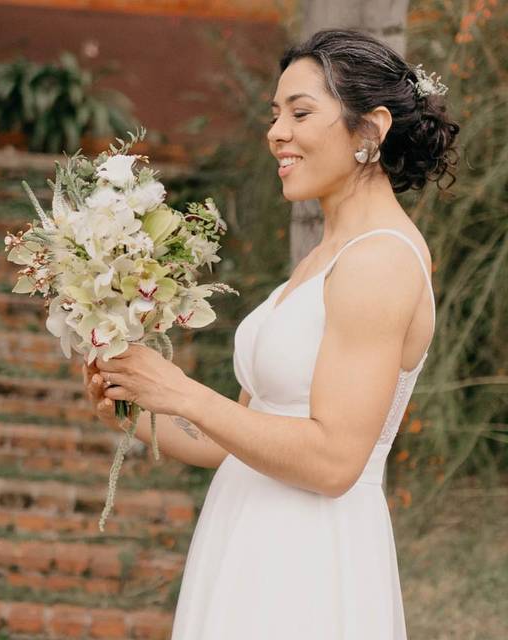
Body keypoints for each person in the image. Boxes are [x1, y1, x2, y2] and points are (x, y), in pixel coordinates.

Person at [84, 29, 458, 639]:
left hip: (308, 556)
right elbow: (239, 436)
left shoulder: (381, 260)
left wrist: (182, 391)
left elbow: (336, 460)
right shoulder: (324, 257)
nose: (276, 131)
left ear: (370, 130)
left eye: (301, 112)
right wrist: (136, 411)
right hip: (245, 532)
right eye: (275, 114)